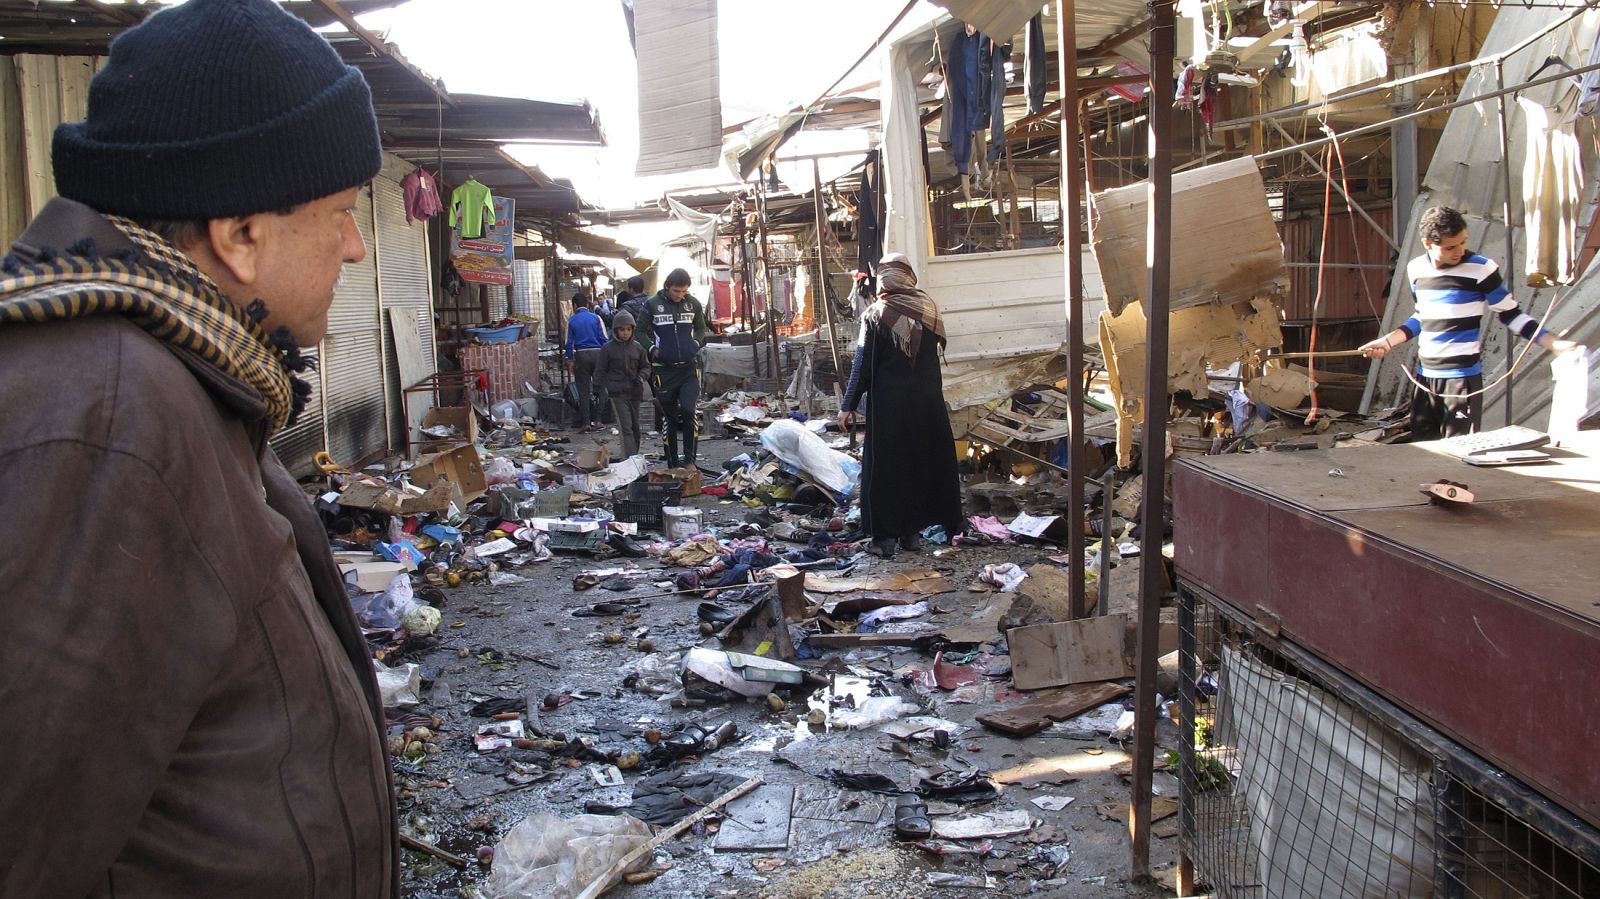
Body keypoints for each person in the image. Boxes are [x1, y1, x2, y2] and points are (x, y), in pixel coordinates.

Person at [0, 0, 397, 894]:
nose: (355, 244)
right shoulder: (108, 419)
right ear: (240, 234)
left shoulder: (181, 372)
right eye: (337, 211)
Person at [1359, 206, 1579, 440]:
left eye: (1463, 242)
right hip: (1425, 379)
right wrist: (1387, 341)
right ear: (1427, 244)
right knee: (1421, 453)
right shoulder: (1416, 269)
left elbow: (1511, 314)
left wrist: (1552, 342)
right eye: (1450, 247)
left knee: (1458, 454)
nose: (1460, 251)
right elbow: (1423, 316)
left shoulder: (1482, 269)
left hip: (1461, 380)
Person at [840, 253, 963, 558]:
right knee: (919, 465)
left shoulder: (876, 313)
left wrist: (847, 405)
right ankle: (912, 535)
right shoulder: (928, 309)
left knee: (886, 470)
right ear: (909, 275)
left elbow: (862, 364)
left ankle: (884, 540)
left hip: (890, 407)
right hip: (927, 404)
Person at [639, 268, 708, 467]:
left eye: (684, 291)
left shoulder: (692, 303)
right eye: (677, 291)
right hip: (663, 371)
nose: (680, 295)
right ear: (668, 286)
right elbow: (639, 331)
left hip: (688, 370)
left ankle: (690, 461)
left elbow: (701, 327)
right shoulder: (651, 304)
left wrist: (695, 343)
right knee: (669, 417)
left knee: (688, 411)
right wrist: (652, 348)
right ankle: (672, 463)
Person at [594, 309, 651, 457]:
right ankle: (630, 460)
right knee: (626, 428)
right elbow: (600, 369)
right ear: (615, 330)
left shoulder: (638, 348)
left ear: (632, 329)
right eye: (622, 329)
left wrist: (641, 377)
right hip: (617, 393)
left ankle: (634, 457)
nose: (625, 332)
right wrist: (597, 388)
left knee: (635, 428)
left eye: (628, 329)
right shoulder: (607, 349)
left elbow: (646, 366)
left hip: (635, 392)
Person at [565, 291, 609, 431]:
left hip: (581, 356)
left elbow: (569, 343)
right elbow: (604, 339)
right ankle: (599, 421)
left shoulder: (571, 321)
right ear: (587, 304)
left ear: (575, 305)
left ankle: (586, 423)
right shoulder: (596, 318)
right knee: (601, 389)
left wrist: (570, 361)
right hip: (598, 355)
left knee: (583, 391)